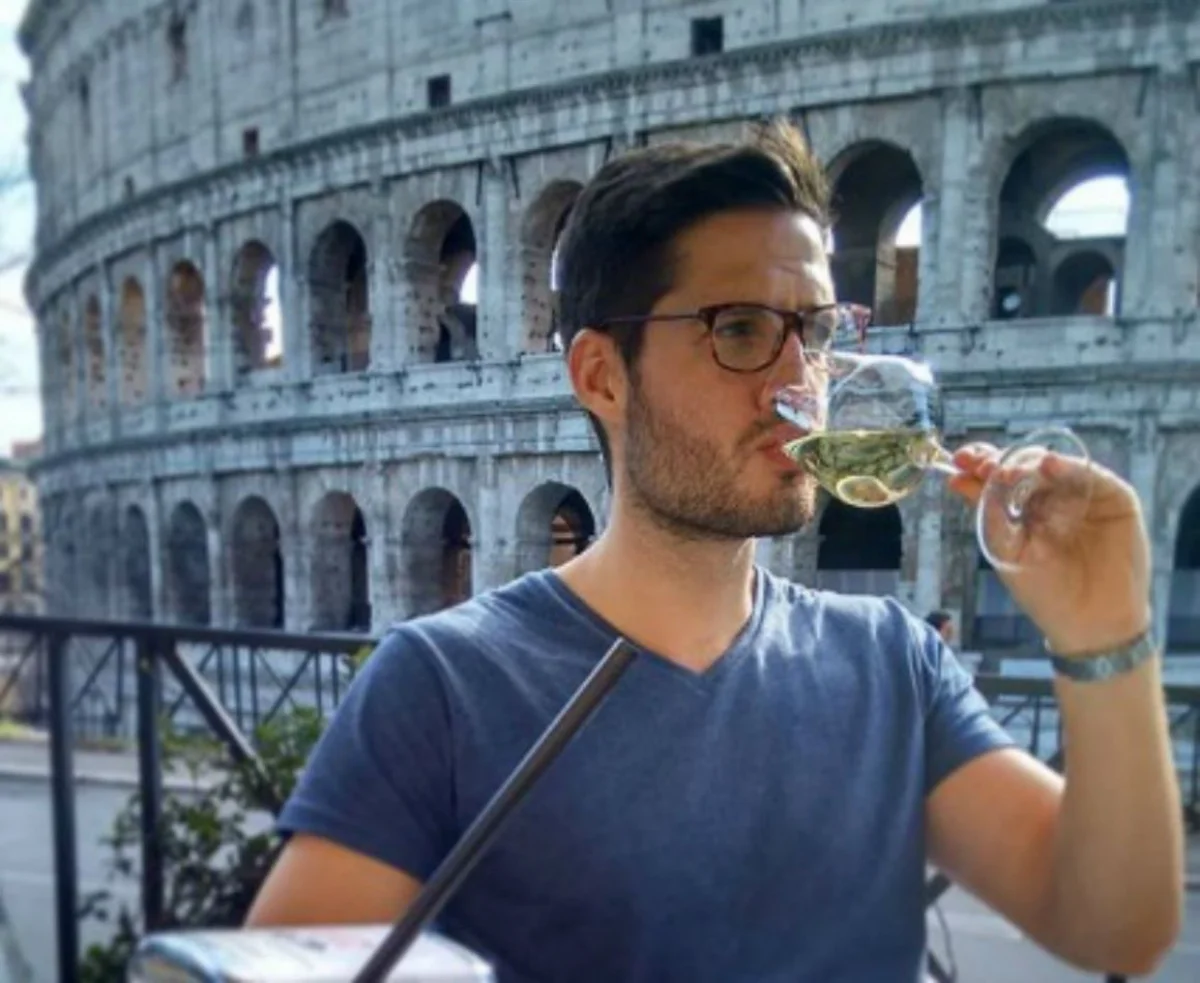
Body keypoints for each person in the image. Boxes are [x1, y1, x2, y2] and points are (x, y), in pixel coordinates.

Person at [247, 120, 1183, 981]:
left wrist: (1105, 629)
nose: (798, 383)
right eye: (740, 329)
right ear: (601, 375)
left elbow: (1115, 928)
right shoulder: (441, 687)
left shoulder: (893, 663)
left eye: (815, 332)